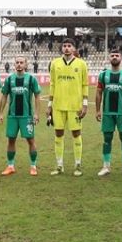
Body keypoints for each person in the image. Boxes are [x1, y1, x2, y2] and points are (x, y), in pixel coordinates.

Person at [48, 39, 90, 176]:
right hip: (58, 106)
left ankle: (78, 165)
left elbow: (85, 85)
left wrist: (84, 104)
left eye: (69, 46)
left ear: (74, 48)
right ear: (62, 48)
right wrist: (49, 105)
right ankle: (59, 165)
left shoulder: (81, 64)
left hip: (75, 106)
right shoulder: (55, 63)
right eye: (64, 46)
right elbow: (52, 84)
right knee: (58, 133)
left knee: (76, 134)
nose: (66, 48)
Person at [0, 55, 42, 175]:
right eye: (17, 62)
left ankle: (33, 166)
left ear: (26, 65)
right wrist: (0, 113)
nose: (19, 64)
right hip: (12, 116)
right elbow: (4, 96)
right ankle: (10, 166)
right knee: (11, 140)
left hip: (27, 116)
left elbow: (37, 96)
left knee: (30, 140)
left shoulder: (31, 79)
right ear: (14, 64)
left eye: (22, 62)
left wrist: (36, 114)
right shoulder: (9, 79)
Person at [96, 49, 122, 176]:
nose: (114, 57)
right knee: (107, 138)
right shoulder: (103, 75)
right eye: (112, 55)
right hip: (107, 113)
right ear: (109, 58)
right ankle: (106, 166)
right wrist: (97, 110)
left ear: (121, 58)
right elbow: (98, 93)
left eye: (117, 55)